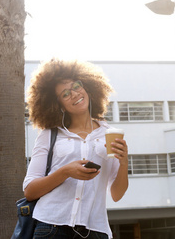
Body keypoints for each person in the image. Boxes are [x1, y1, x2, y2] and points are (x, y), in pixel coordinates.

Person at [23, 58, 129, 239]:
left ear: (87, 86)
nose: (74, 94)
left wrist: (124, 161)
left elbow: (117, 194)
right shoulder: (50, 134)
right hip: (51, 228)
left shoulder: (110, 134)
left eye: (76, 86)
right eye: (65, 94)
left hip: (95, 230)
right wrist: (65, 172)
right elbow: (30, 190)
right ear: (58, 105)